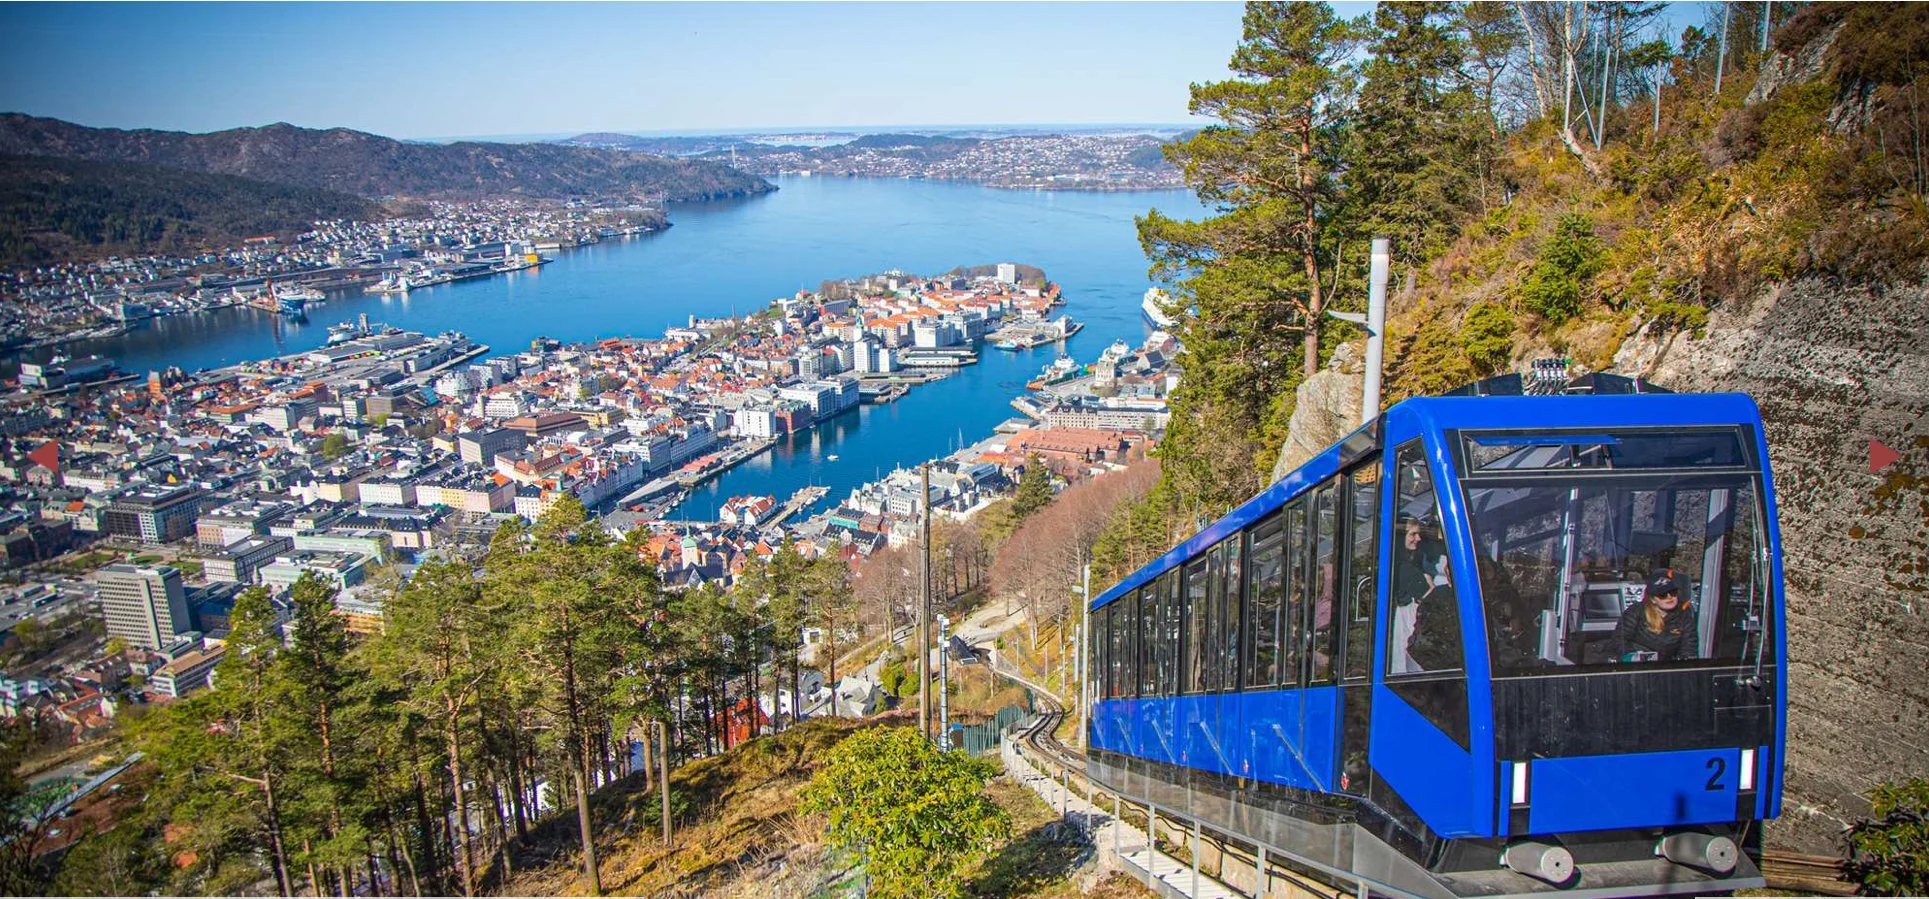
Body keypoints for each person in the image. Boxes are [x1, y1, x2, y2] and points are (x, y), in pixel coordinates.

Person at [1609, 571, 1699, 662]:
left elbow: (1689, 649)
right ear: (1653, 599)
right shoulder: (1636, 612)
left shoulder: (1684, 617)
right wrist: (1637, 656)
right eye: (1662, 595)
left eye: (1673, 592)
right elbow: (1619, 641)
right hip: (1636, 664)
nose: (1669, 597)